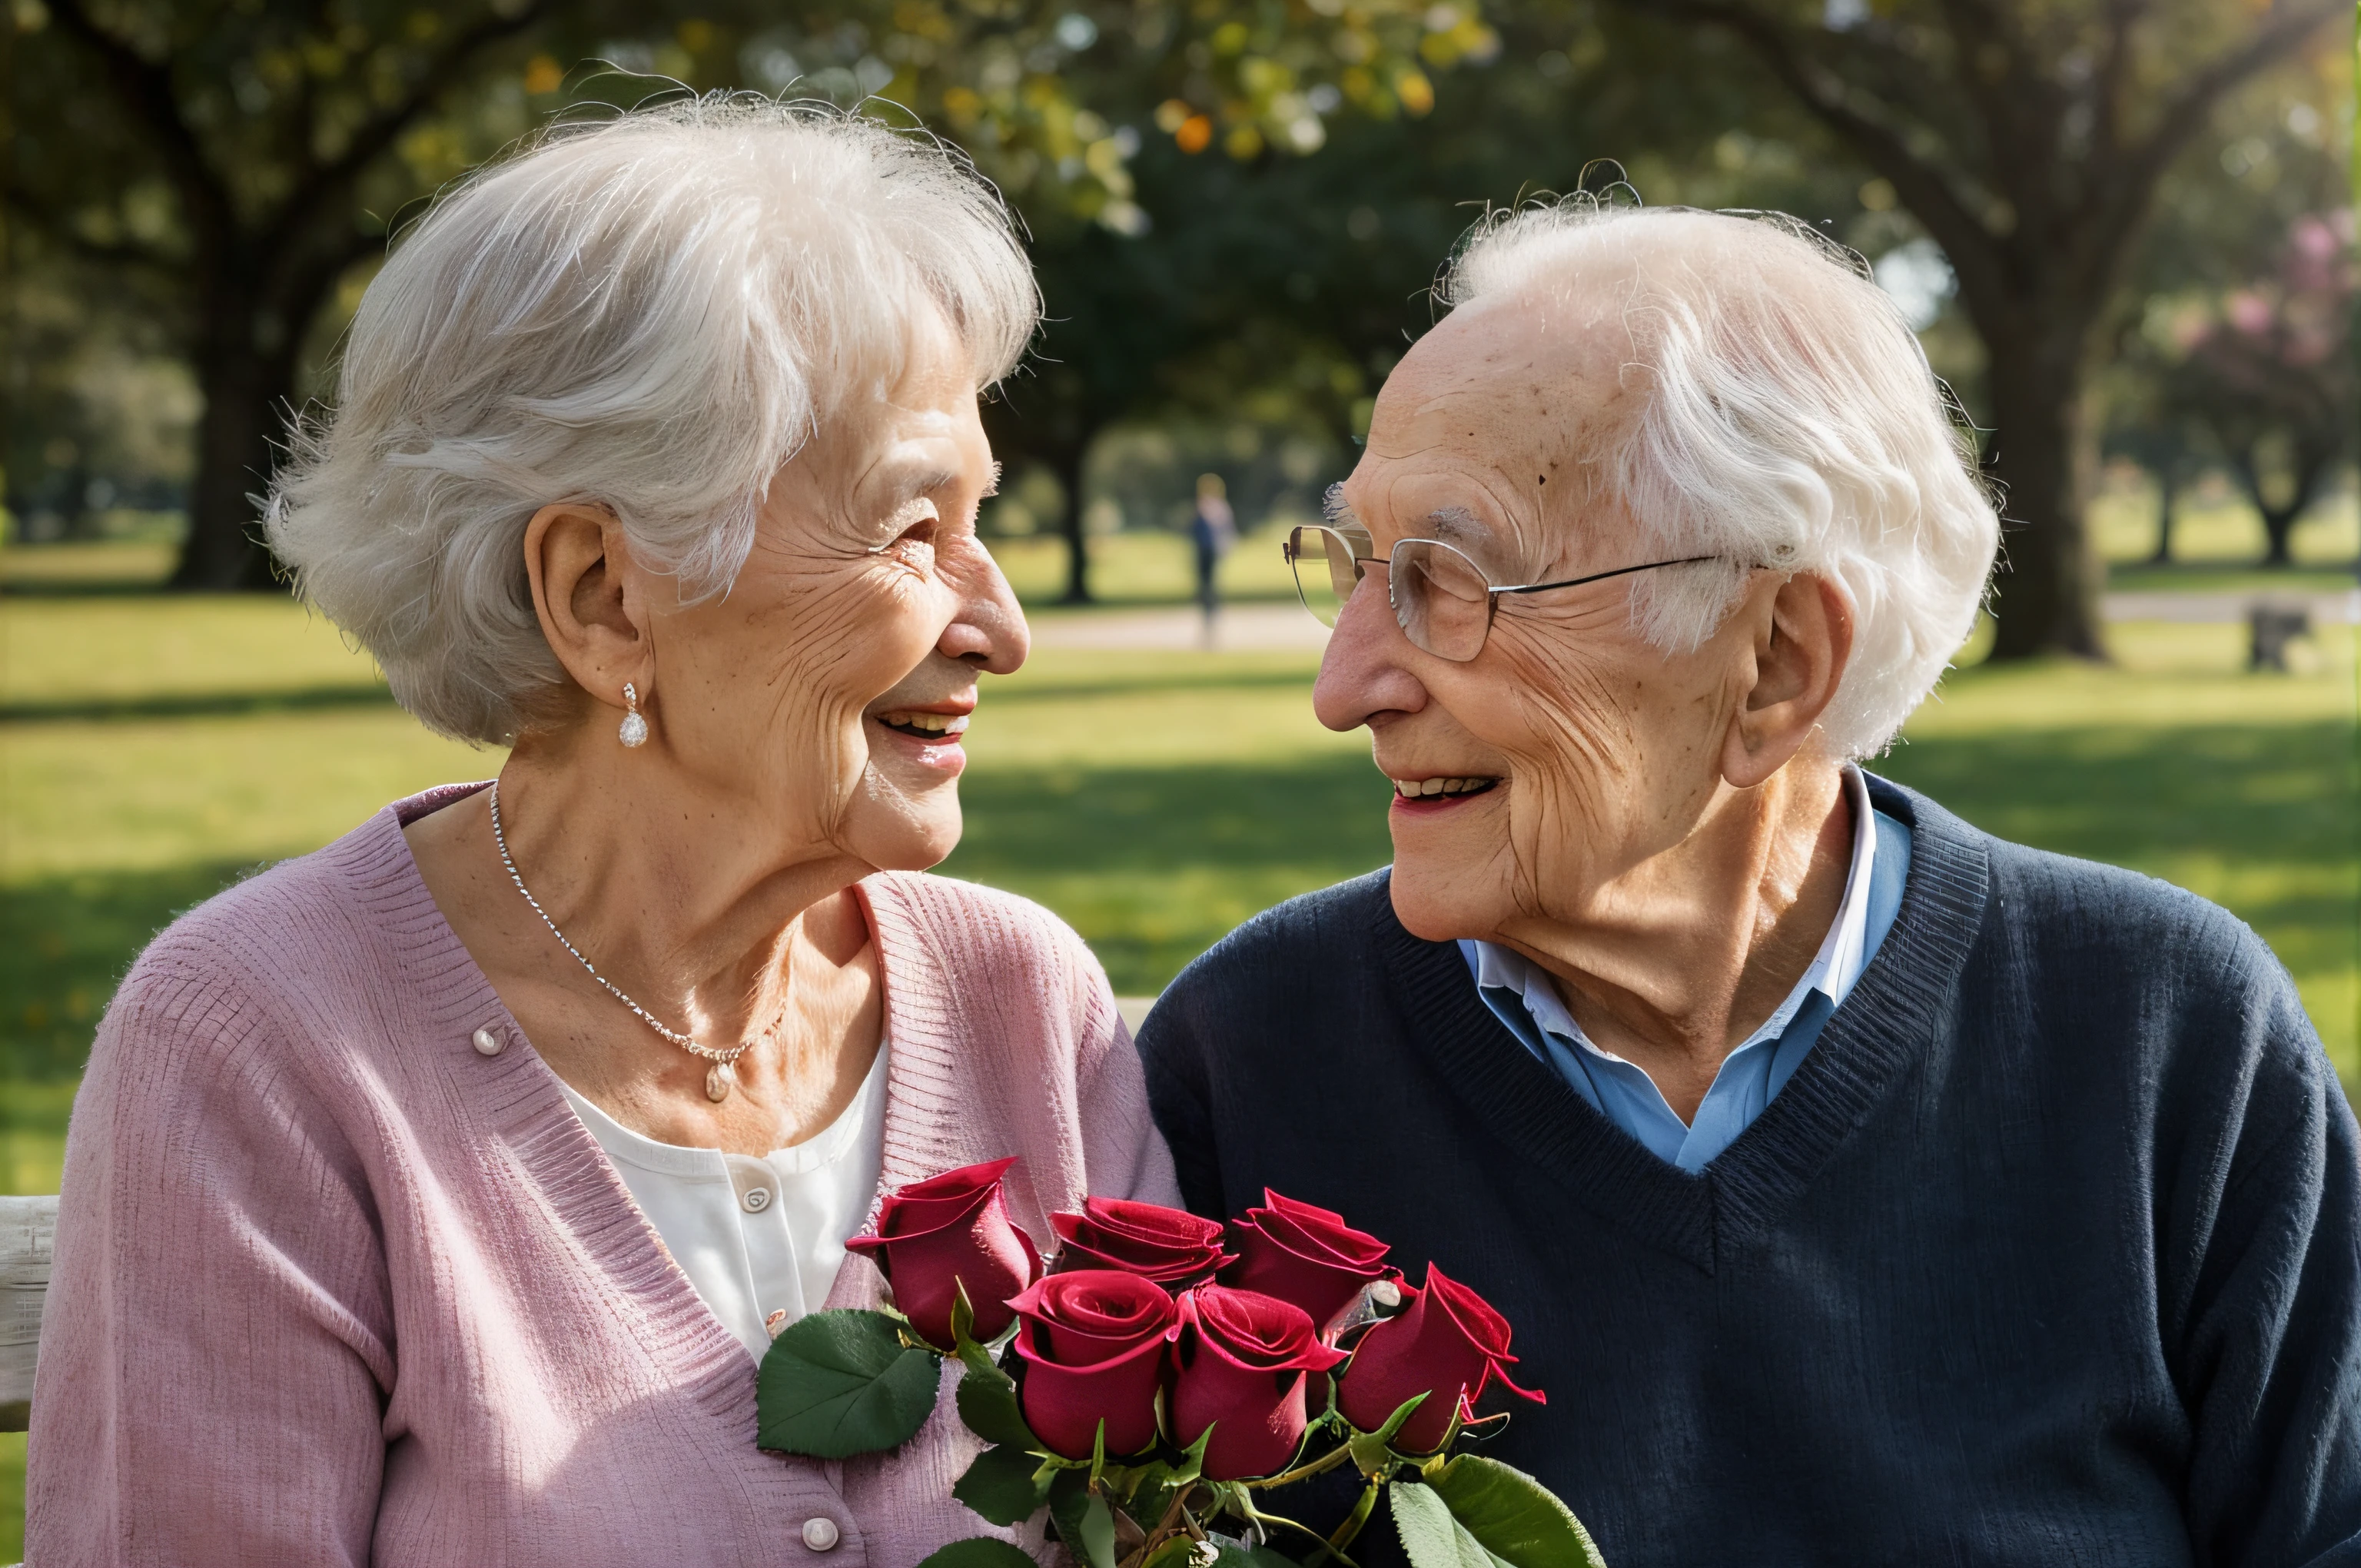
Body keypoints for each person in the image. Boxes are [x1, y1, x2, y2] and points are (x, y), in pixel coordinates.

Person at [29, 100, 1178, 1568]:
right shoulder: (260, 1045)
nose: (1000, 628)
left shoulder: (1022, 1000)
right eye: (909, 531)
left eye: (983, 520)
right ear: (600, 596)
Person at [1137, 201, 2361, 1565]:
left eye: (1450, 577)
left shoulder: (2160, 1031)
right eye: (1360, 568)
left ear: (1775, 662)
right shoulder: (1246, 1058)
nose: (1340, 686)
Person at [1189, 470, 1237, 643]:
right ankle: (1207, 622)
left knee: (1210, 589)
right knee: (1205, 589)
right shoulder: (1202, 508)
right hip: (1203, 553)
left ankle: (1211, 623)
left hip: (1212, 553)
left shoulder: (1217, 508)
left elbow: (1226, 531)